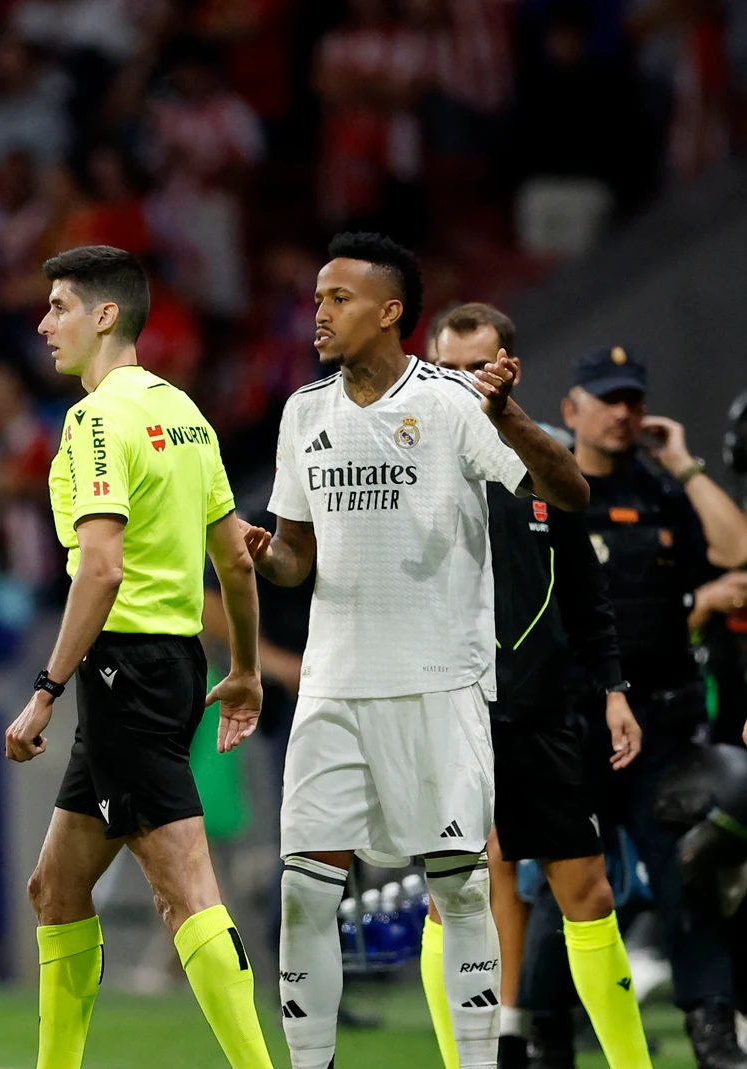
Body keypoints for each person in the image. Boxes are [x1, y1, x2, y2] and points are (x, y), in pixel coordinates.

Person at [246, 232, 588, 1069]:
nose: (318, 313)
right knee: (302, 892)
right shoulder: (304, 413)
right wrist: (266, 554)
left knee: (463, 886)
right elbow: (298, 556)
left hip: (439, 684)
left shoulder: (451, 404)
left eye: (338, 299)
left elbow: (569, 492)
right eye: (318, 298)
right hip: (333, 688)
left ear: (390, 311)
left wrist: (508, 418)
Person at [3, 244, 275, 1069]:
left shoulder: (94, 420)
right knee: (54, 889)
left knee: (185, 886)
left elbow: (103, 564)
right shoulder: (186, 414)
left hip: (123, 666)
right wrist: (248, 668)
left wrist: (47, 687)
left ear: (105, 315)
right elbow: (233, 558)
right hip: (173, 662)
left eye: (59, 306)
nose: (45, 322)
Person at [423, 303, 651, 1069]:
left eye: (475, 369)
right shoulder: (404, 465)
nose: (458, 385)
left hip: (541, 708)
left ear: (507, 369)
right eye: (444, 370)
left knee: (587, 890)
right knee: (451, 897)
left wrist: (614, 688)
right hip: (446, 708)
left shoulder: (548, 469)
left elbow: (587, 591)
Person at [548, 344, 747, 1069]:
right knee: (569, 885)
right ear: (571, 410)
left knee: (687, 873)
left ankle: (715, 1029)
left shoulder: (663, 494)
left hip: (661, 725)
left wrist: (685, 463)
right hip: (574, 722)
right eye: (607, 397)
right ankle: (542, 1027)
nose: (624, 411)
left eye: (633, 397)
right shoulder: (547, 490)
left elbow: (736, 549)